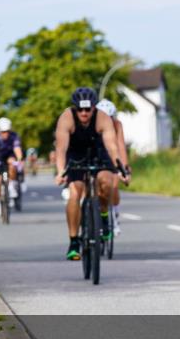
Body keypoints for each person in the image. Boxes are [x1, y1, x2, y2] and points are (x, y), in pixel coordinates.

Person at [54, 87, 127, 260]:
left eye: (88, 109)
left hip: (98, 151)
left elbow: (111, 145)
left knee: (106, 182)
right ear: (75, 108)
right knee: (75, 192)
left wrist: (120, 166)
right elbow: (61, 149)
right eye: (80, 109)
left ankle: (102, 215)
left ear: (94, 107)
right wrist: (60, 172)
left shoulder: (102, 118)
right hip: (76, 154)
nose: (84, 113)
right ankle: (74, 241)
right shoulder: (66, 118)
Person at [96, 98, 132, 235]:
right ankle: (92, 216)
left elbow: (121, 146)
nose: (107, 121)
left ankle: (115, 217)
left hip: (112, 156)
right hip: (97, 156)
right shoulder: (93, 125)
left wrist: (125, 168)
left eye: (110, 118)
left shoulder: (117, 125)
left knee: (114, 186)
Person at [0, 117, 23, 218]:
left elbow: (17, 149)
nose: (5, 134)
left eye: (7, 131)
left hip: (9, 156)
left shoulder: (14, 136)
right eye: (3, 132)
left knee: (12, 163)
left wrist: (19, 158)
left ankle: (11, 185)